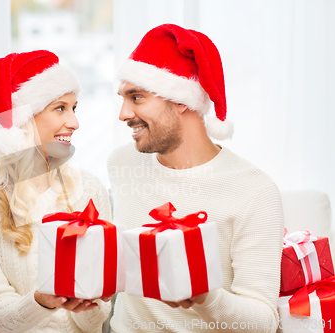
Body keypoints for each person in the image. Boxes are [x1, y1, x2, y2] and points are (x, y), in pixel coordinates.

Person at [108, 24, 284, 332]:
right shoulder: (122, 163)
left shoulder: (254, 191)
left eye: (136, 97)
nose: (123, 113)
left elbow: (264, 322)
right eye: (123, 97)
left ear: (181, 101)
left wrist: (206, 296)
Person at [0, 50, 112, 333]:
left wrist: (89, 302)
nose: (74, 122)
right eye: (60, 108)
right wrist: (43, 301)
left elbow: (99, 317)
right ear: (22, 120)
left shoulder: (90, 189)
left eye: (74, 108)